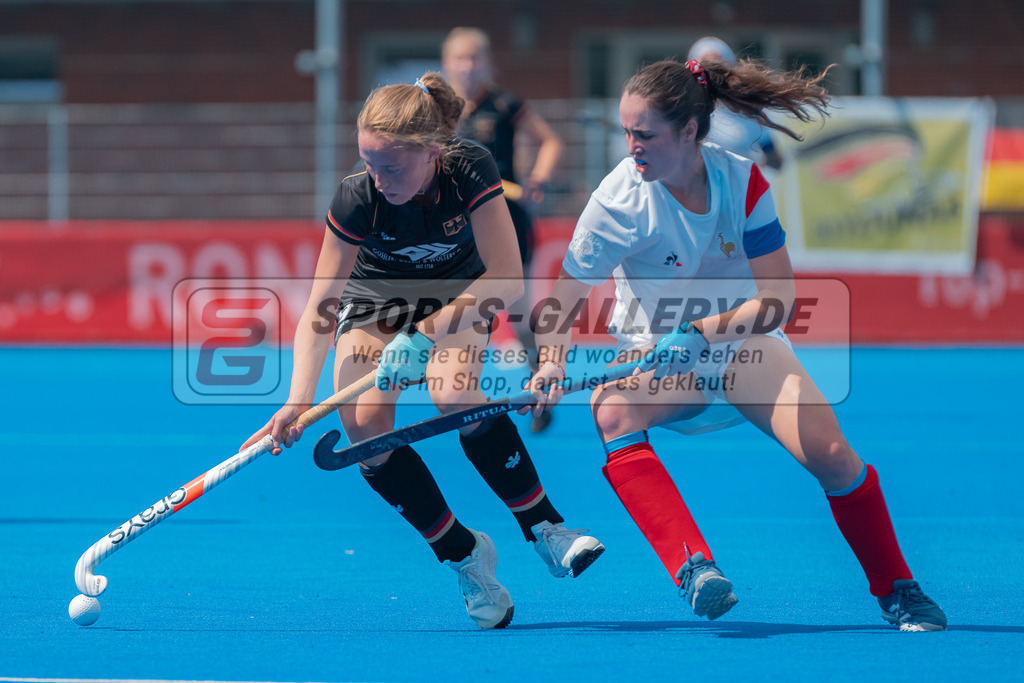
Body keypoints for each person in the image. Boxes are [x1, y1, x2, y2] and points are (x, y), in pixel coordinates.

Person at [523, 58, 947, 631]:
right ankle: (693, 568)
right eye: (625, 132)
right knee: (612, 408)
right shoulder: (617, 201)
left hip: (739, 347)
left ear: (690, 131)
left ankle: (898, 587)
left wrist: (702, 332)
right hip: (659, 357)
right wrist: (550, 361)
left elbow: (779, 300)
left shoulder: (741, 181)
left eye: (644, 134)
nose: (631, 147)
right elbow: (562, 301)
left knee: (831, 456)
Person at [240, 72, 604, 630]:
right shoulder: (358, 195)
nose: (378, 178)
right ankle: (464, 555)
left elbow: (507, 280)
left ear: (432, 153)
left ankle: (546, 529)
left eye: (391, 167)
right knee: (364, 431)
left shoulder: (470, 168)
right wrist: (296, 399)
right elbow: (322, 305)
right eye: (368, 163)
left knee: (456, 394)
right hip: (375, 303)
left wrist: (425, 333)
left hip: (460, 294)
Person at [442, 26, 565, 432]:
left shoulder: (505, 104)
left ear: (488, 64)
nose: (467, 66)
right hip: (458, 227)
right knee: (462, 309)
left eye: (474, 58)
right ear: (446, 65)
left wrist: (538, 178)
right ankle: (464, 393)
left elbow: (550, 142)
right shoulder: (439, 111)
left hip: (508, 222)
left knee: (514, 310)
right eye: (460, 58)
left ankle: (541, 377)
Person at [687, 36, 783, 170]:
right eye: (707, 65)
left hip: (739, 188)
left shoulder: (750, 111)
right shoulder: (686, 110)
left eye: (718, 64)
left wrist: (762, 162)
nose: (713, 72)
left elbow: (775, 161)